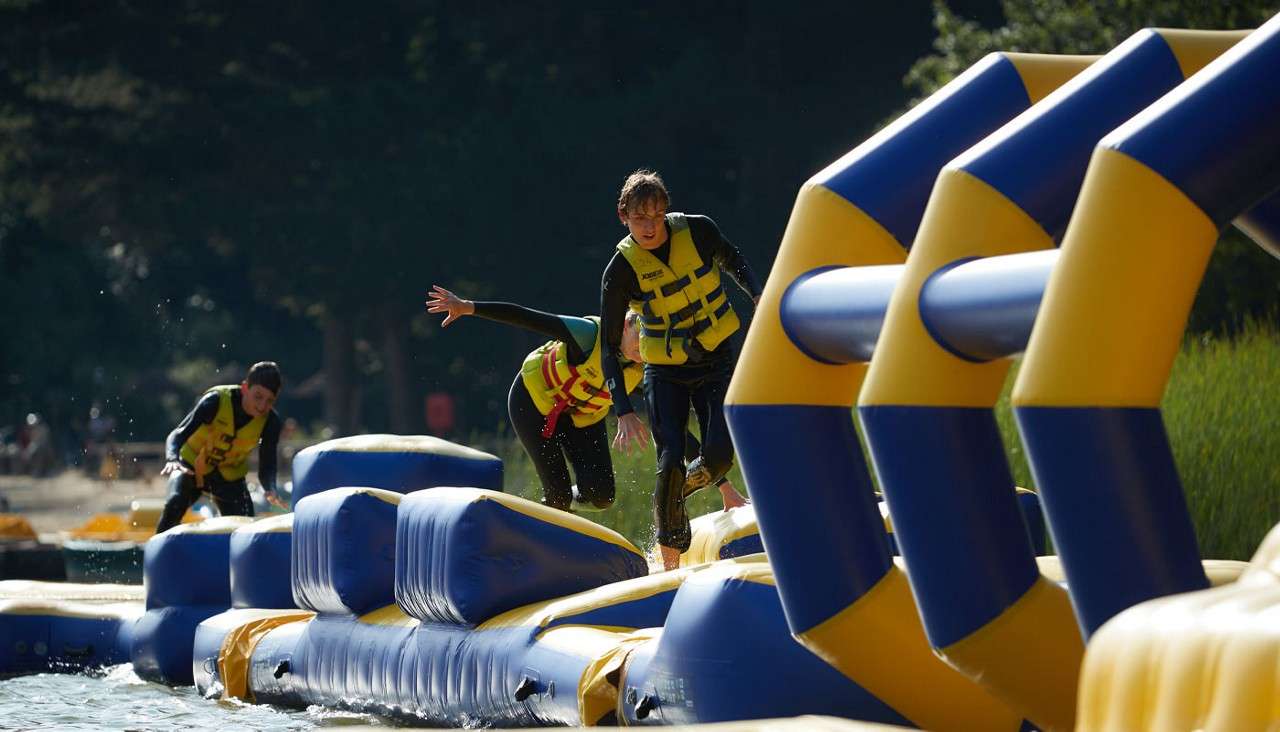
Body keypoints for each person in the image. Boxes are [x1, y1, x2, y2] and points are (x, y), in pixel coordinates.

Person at [425, 286, 747, 515]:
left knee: (602, 496)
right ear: (623, 326)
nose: (641, 350)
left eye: (649, 344)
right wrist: (470, 307)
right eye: (639, 340)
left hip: (580, 417)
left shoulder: (643, 370)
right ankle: (550, 516)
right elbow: (529, 318)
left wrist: (724, 488)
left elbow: (672, 429)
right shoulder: (588, 335)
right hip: (534, 403)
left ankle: (555, 504)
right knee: (559, 495)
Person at [600, 170, 762, 570]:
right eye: (641, 219)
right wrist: (622, 409)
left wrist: (758, 294)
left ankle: (673, 496)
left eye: (657, 216)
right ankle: (669, 564)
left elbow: (733, 259)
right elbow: (608, 345)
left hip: (715, 360)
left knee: (720, 457)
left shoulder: (699, 231)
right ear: (623, 216)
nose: (650, 226)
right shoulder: (620, 271)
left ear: (666, 211)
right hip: (665, 370)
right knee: (670, 455)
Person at [154, 361, 287, 533]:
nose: (262, 406)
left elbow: (267, 465)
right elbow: (178, 434)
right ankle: (155, 555)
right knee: (174, 504)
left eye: (269, 400)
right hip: (190, 468)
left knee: (247, 528)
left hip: (229, 480)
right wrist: (172, 458)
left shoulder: (271, 422)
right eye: (258, 396)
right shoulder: (215, 401)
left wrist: (270, 488)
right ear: (245, 388)